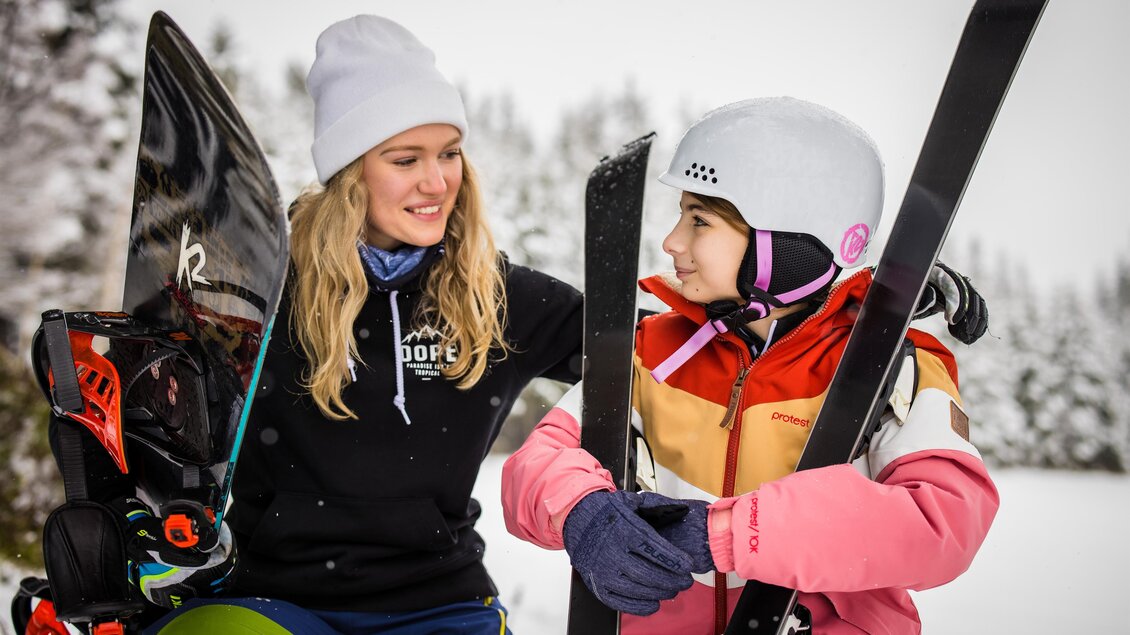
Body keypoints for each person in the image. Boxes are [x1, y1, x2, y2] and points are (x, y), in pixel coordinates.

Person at [41, 14, 583, 634]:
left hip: (441, 604)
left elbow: (645, 356)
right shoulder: (258, 291)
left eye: (450, 153)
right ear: (352, 171)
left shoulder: (495, 298)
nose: (437, 182)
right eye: (406, 159)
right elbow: (152, 423)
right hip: (271, 600)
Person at [501, 97, 999, 634]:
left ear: (783, 244)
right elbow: (537, 465)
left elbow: (943, 521)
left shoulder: (894, 367)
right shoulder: (653, 351)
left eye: (701, 221)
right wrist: (582, 512)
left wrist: (733, 534)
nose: (673, 242)